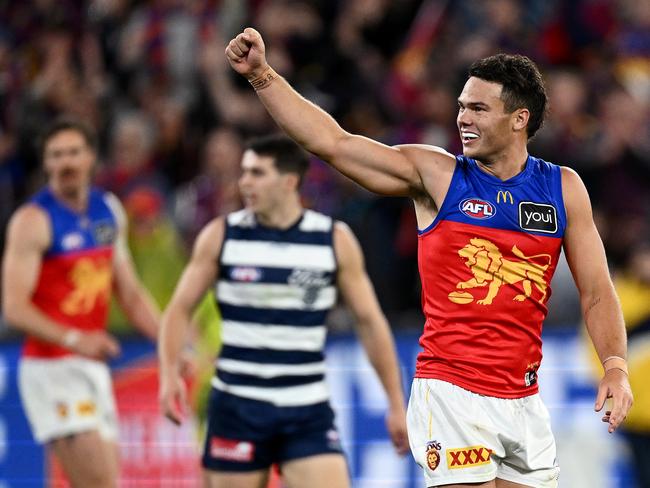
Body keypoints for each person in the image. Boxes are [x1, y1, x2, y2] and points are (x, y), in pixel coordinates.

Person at [224, 28, 634, 488]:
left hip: (523, 398)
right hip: (451, 392)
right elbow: (333, 144)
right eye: (461, 105)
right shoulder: (437, 176)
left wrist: (615, 366)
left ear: (520, 119)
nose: (463, 118)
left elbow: (597, 290)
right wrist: (262, 76)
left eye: (478, 108)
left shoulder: (562, 188)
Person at [158, 135, 409, 488]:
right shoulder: (221, 237)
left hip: (306, 408)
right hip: (237, 406)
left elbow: (370, 323)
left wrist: (396, 404)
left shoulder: (333, 240)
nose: (244, 182)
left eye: (257, 173)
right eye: (244, 172)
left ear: (290, 181)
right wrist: (169, 373)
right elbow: (178, 310)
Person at [1, 118, 161, 487]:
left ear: (91, 157)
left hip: (92, 368)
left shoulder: (108, 210)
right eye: (56, 155)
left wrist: (169, 342)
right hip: (51, 369)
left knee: (104, 480)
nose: (65, 163)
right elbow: (14, 307)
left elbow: (130, 293)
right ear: (45, 164)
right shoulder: (33, 221)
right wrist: (76, 339)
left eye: (73, 152)